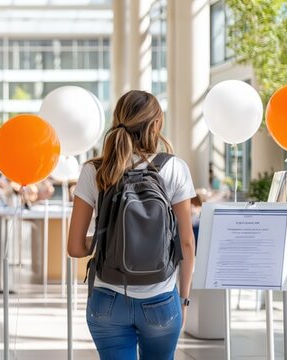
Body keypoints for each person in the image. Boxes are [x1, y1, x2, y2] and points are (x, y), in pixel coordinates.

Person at [66, 90, 196, 359]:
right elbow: (186, 244)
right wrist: (183, 299)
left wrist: (110, 239)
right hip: (160, 298)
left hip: (107, 300)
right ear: (156, 124)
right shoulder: (174, 168)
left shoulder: (94, 171)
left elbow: (76, 248)